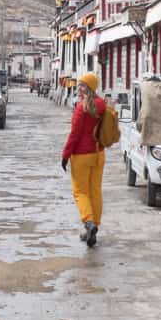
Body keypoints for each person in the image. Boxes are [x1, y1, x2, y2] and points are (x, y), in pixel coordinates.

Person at [61, 72, 106, 247]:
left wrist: (65, 155)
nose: (78, 88)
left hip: (81, 155)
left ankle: (89, 222)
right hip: (98, 154)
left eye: (82, 85)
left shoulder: (81, 108)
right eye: (79, 85)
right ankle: (93, 228)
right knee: (95, 190)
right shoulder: (103, 105)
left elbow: (75, 135)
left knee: (80, 192)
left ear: (89, 88)